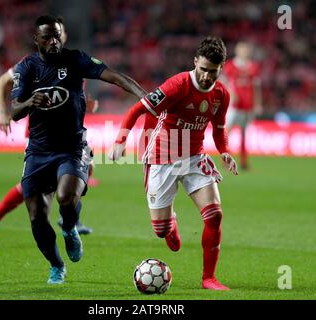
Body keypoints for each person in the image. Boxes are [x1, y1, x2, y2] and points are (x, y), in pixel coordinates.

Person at [10, 15, 146, 284]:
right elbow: (13, 111)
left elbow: (114, 76)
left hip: (72, 147)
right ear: (35, 39)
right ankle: (56, 265)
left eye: (57, 35)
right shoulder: (25, 68)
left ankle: (70, 228)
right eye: (47, 37)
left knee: (65, 196)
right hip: (38, 151)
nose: (54, 41)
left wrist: (145, 96)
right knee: (37, 216)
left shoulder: (75, 59)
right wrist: (29, 102)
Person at [109, 37, 238, 290]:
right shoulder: (177, 85)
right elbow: (137, 110)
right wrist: (120, 141)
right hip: (161, 157)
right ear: (195, 63)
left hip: (194, 157)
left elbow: (219, 129)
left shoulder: (221, 94)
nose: (206, 77)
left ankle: (208, 278)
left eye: (212, 72)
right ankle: (169, 225)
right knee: (159, 230)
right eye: (202, 70)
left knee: (214, 216)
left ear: (220, 69)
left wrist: (224, 151)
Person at [0, 21, 96, 246]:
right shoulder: (33, 63)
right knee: (40, 185)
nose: (57, 38)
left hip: (67, 133)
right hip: (44, 131)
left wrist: (85, 102)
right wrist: (3, 112)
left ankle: (69, 217)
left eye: (59, 34)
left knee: (85, 165)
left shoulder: (69, 60)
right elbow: (3, 80)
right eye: (51, 34)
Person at [222, 41, 262, 170]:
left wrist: (257, 103)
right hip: (234, 106)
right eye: (242, 50)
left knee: (244, 134)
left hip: (247, 106)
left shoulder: (253, 67)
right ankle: (226, 160)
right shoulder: (230, 66)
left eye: (246, 50)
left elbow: (256, 87)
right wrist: (230, 93)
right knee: (228, 133)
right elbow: (222, 81)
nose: (245, 52)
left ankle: (244, 162)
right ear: (238, 51)